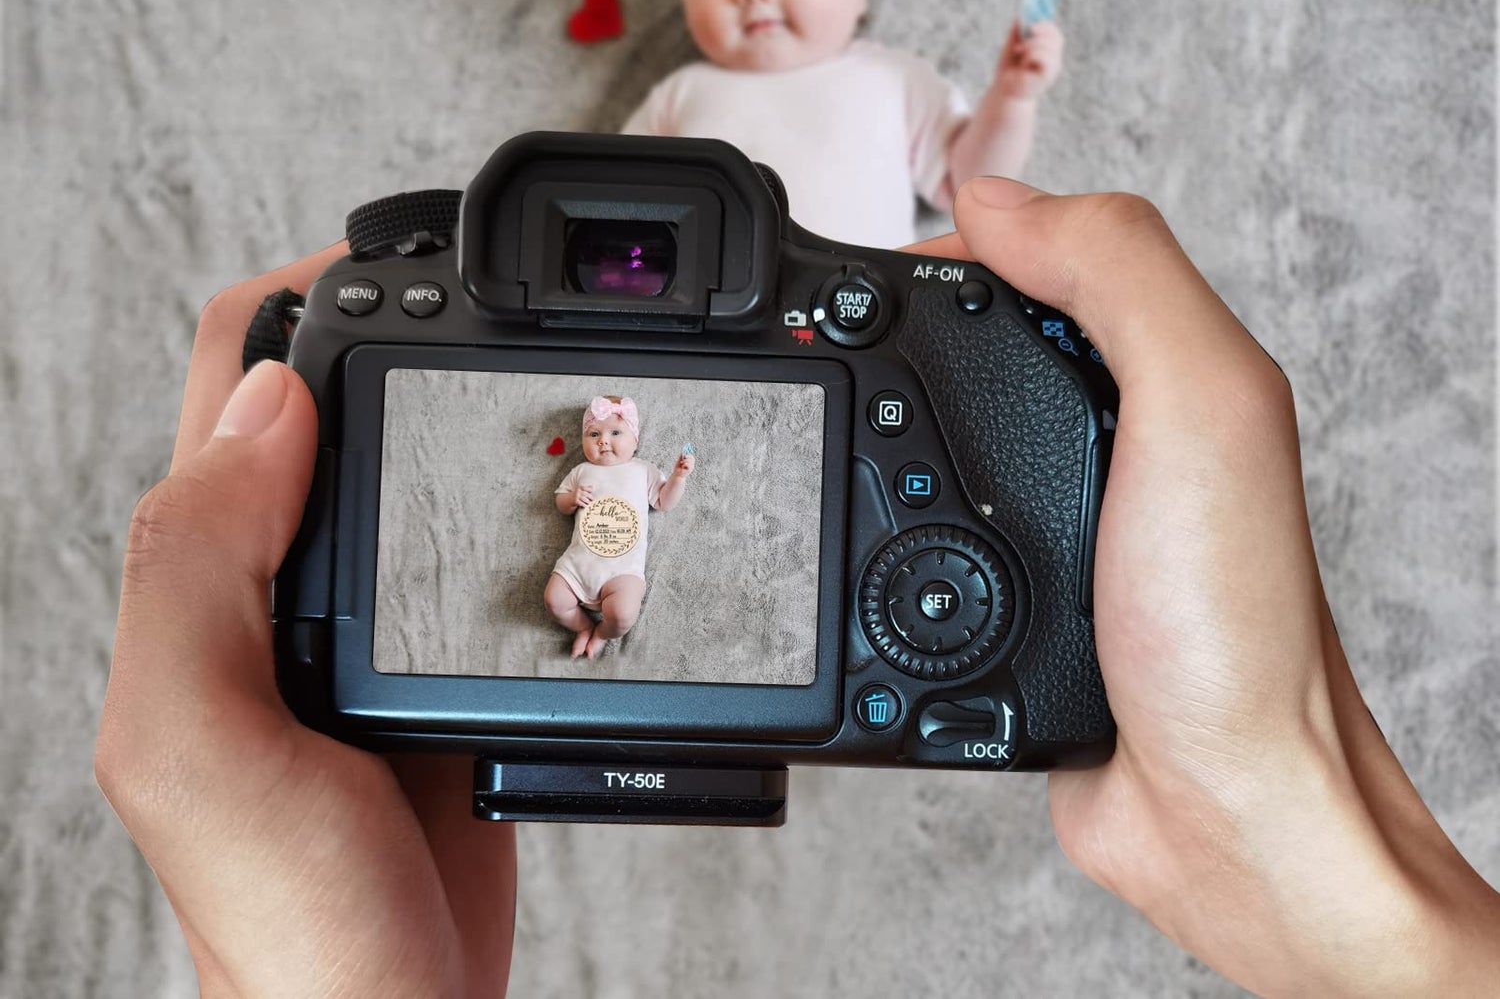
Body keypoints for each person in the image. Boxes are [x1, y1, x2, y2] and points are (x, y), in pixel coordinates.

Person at [95, 179, 1500, 996]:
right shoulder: (587, 470)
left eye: (614, 416)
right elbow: (568, 492)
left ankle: (593, 630)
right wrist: (1330, 883)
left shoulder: (635, 470)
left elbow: (654, 491)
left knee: (609, 602)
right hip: (586, 555)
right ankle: (584, 629)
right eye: (601, 415)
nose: (608, 420)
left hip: (620, 561)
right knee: (577, 594)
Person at [620, 0, 1065, 248]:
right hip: (719, 305)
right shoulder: (680, 94)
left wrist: (1011, 100)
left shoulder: (893, 78)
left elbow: (968, 183)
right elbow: (615, 198)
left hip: (865, 301)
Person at [544, 394, 694, 661]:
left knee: (623, 616)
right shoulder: (581, 471)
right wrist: (571, 498)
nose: (603, 440)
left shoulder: (643, 470)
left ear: (635, 440)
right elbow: (560, 503)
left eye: (615, 432)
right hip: (577, 566)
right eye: (594, 434)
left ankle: (602, 633)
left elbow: (664, 501)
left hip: (623, 570)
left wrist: (678, 478)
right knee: (554, 601)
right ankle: (583, 626)